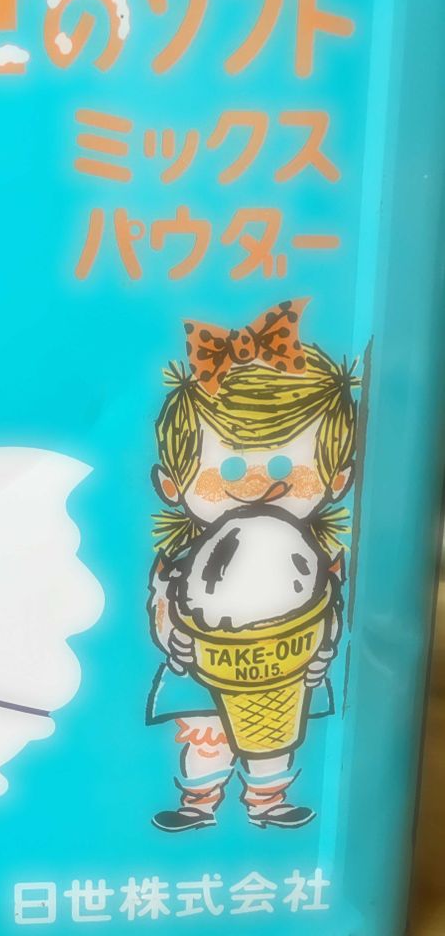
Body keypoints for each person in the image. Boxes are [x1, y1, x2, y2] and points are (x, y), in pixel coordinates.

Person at [146, 299, 359, 832]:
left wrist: (322, 651)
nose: (257, 481)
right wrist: (176, 640)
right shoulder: (185, 561)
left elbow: (326, 606)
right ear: (171, 485)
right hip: (200, 666)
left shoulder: (317, 557)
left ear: (339, 478)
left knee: (275, 740)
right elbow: (166, 601)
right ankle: (198, 802)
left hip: (288, 663)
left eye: (285, 462)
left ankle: (268, 800)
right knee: (208, 735)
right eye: (229, 466)